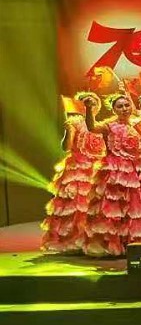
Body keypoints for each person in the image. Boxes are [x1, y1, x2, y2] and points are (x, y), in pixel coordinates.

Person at [81, 94, 141, 257]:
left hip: (132, 171)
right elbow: (92, 127)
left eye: (127, 105)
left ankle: (129, 244)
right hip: (113, 170)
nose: (124, 109)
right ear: (114, 110)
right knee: (113, 209)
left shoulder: (138, 125)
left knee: (132, 208)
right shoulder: (109, 126)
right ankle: (111, 244)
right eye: (120, 106)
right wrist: (89, 109)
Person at [42, 94, 105, 254]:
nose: (90, 105)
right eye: (86, 102)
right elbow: (67, 147)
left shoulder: (100, 125)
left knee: (94, 206)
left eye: (94, 102)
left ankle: (93, 241)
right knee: (77, 206)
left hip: (96, 168)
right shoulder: (75, 123)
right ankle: (74, 241)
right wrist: (68, 131)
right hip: (77, 169)